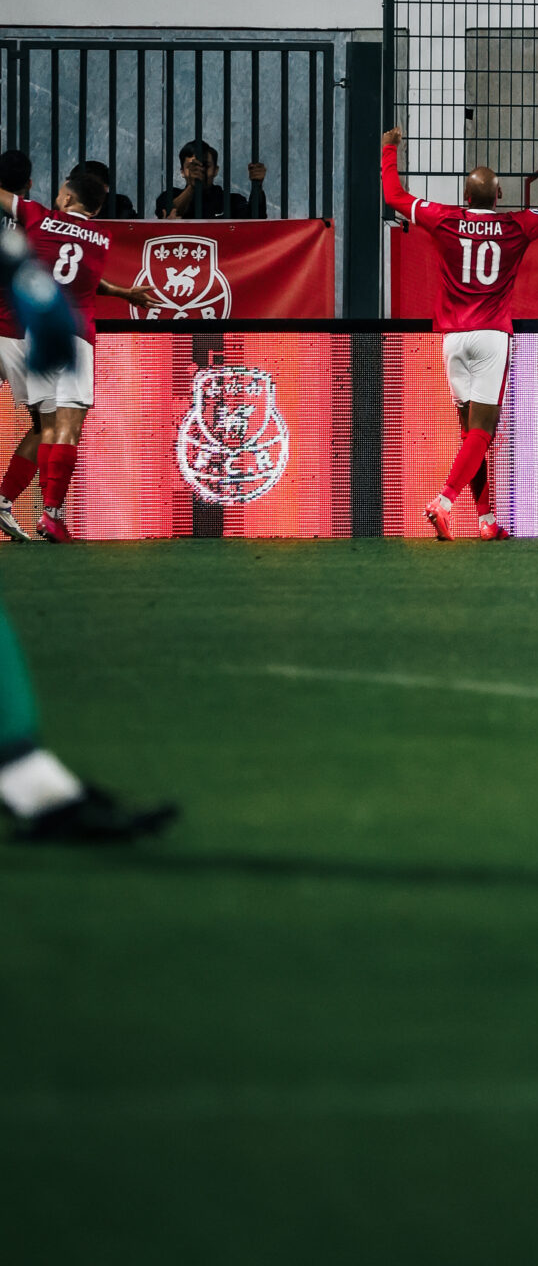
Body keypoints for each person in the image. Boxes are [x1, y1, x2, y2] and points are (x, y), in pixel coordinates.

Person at [0, 209, 175, 838]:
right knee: (59, 424)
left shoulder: (34, 225)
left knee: (44, 425)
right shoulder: (34, 228)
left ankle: (33, 785)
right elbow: (41, 295)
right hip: (49, 335)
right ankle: (49, 512)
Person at [381, 126, 538, 541]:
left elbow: (394, 196)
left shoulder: (444, 219)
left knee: (471, 435)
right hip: (492, 336)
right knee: (482, 433)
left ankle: (486, 520)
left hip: (453, 338)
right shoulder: (517, 225)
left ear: (465, 197)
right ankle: (443, 502)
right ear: (499, 196)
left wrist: (390, 150)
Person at [0, 161, 155, 543]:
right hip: (76, 336)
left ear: (68, 196)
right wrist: (122, 292)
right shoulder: (102, 238)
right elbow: (83, 273)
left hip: (36, 335)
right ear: (97, 207)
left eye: (61, 192)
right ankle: (50, 515)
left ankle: (30, 508)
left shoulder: (37, 217)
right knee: (67, 427)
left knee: (47, 426)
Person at [153, 140, 269, 220]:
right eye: (192, 167)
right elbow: (168, 213)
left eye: (206, 166)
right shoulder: (168, 196)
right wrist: (192, 187)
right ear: (182, 171)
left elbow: (255, 222)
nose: (199, 171)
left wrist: (257, 185)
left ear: (215, 170)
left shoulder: (231, 201)